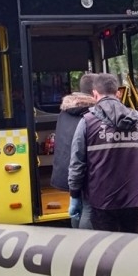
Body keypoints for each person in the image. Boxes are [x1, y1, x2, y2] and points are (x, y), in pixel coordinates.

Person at [68, 73, 138, 276]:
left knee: (107, 255)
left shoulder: (87, 122)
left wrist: (75, 195)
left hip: (101, 199)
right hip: (133, 199)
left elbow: (77, 164)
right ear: (118, 93)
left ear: (95, 95)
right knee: (131, 249)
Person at [50, 73, 97, 229]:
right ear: (95, 91)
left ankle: (76, 239)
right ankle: (85, 244)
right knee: (88, 208)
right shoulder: (91, 113)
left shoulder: (65, 111)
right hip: (83, 169)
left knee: (77, 207)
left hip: (65, 170)